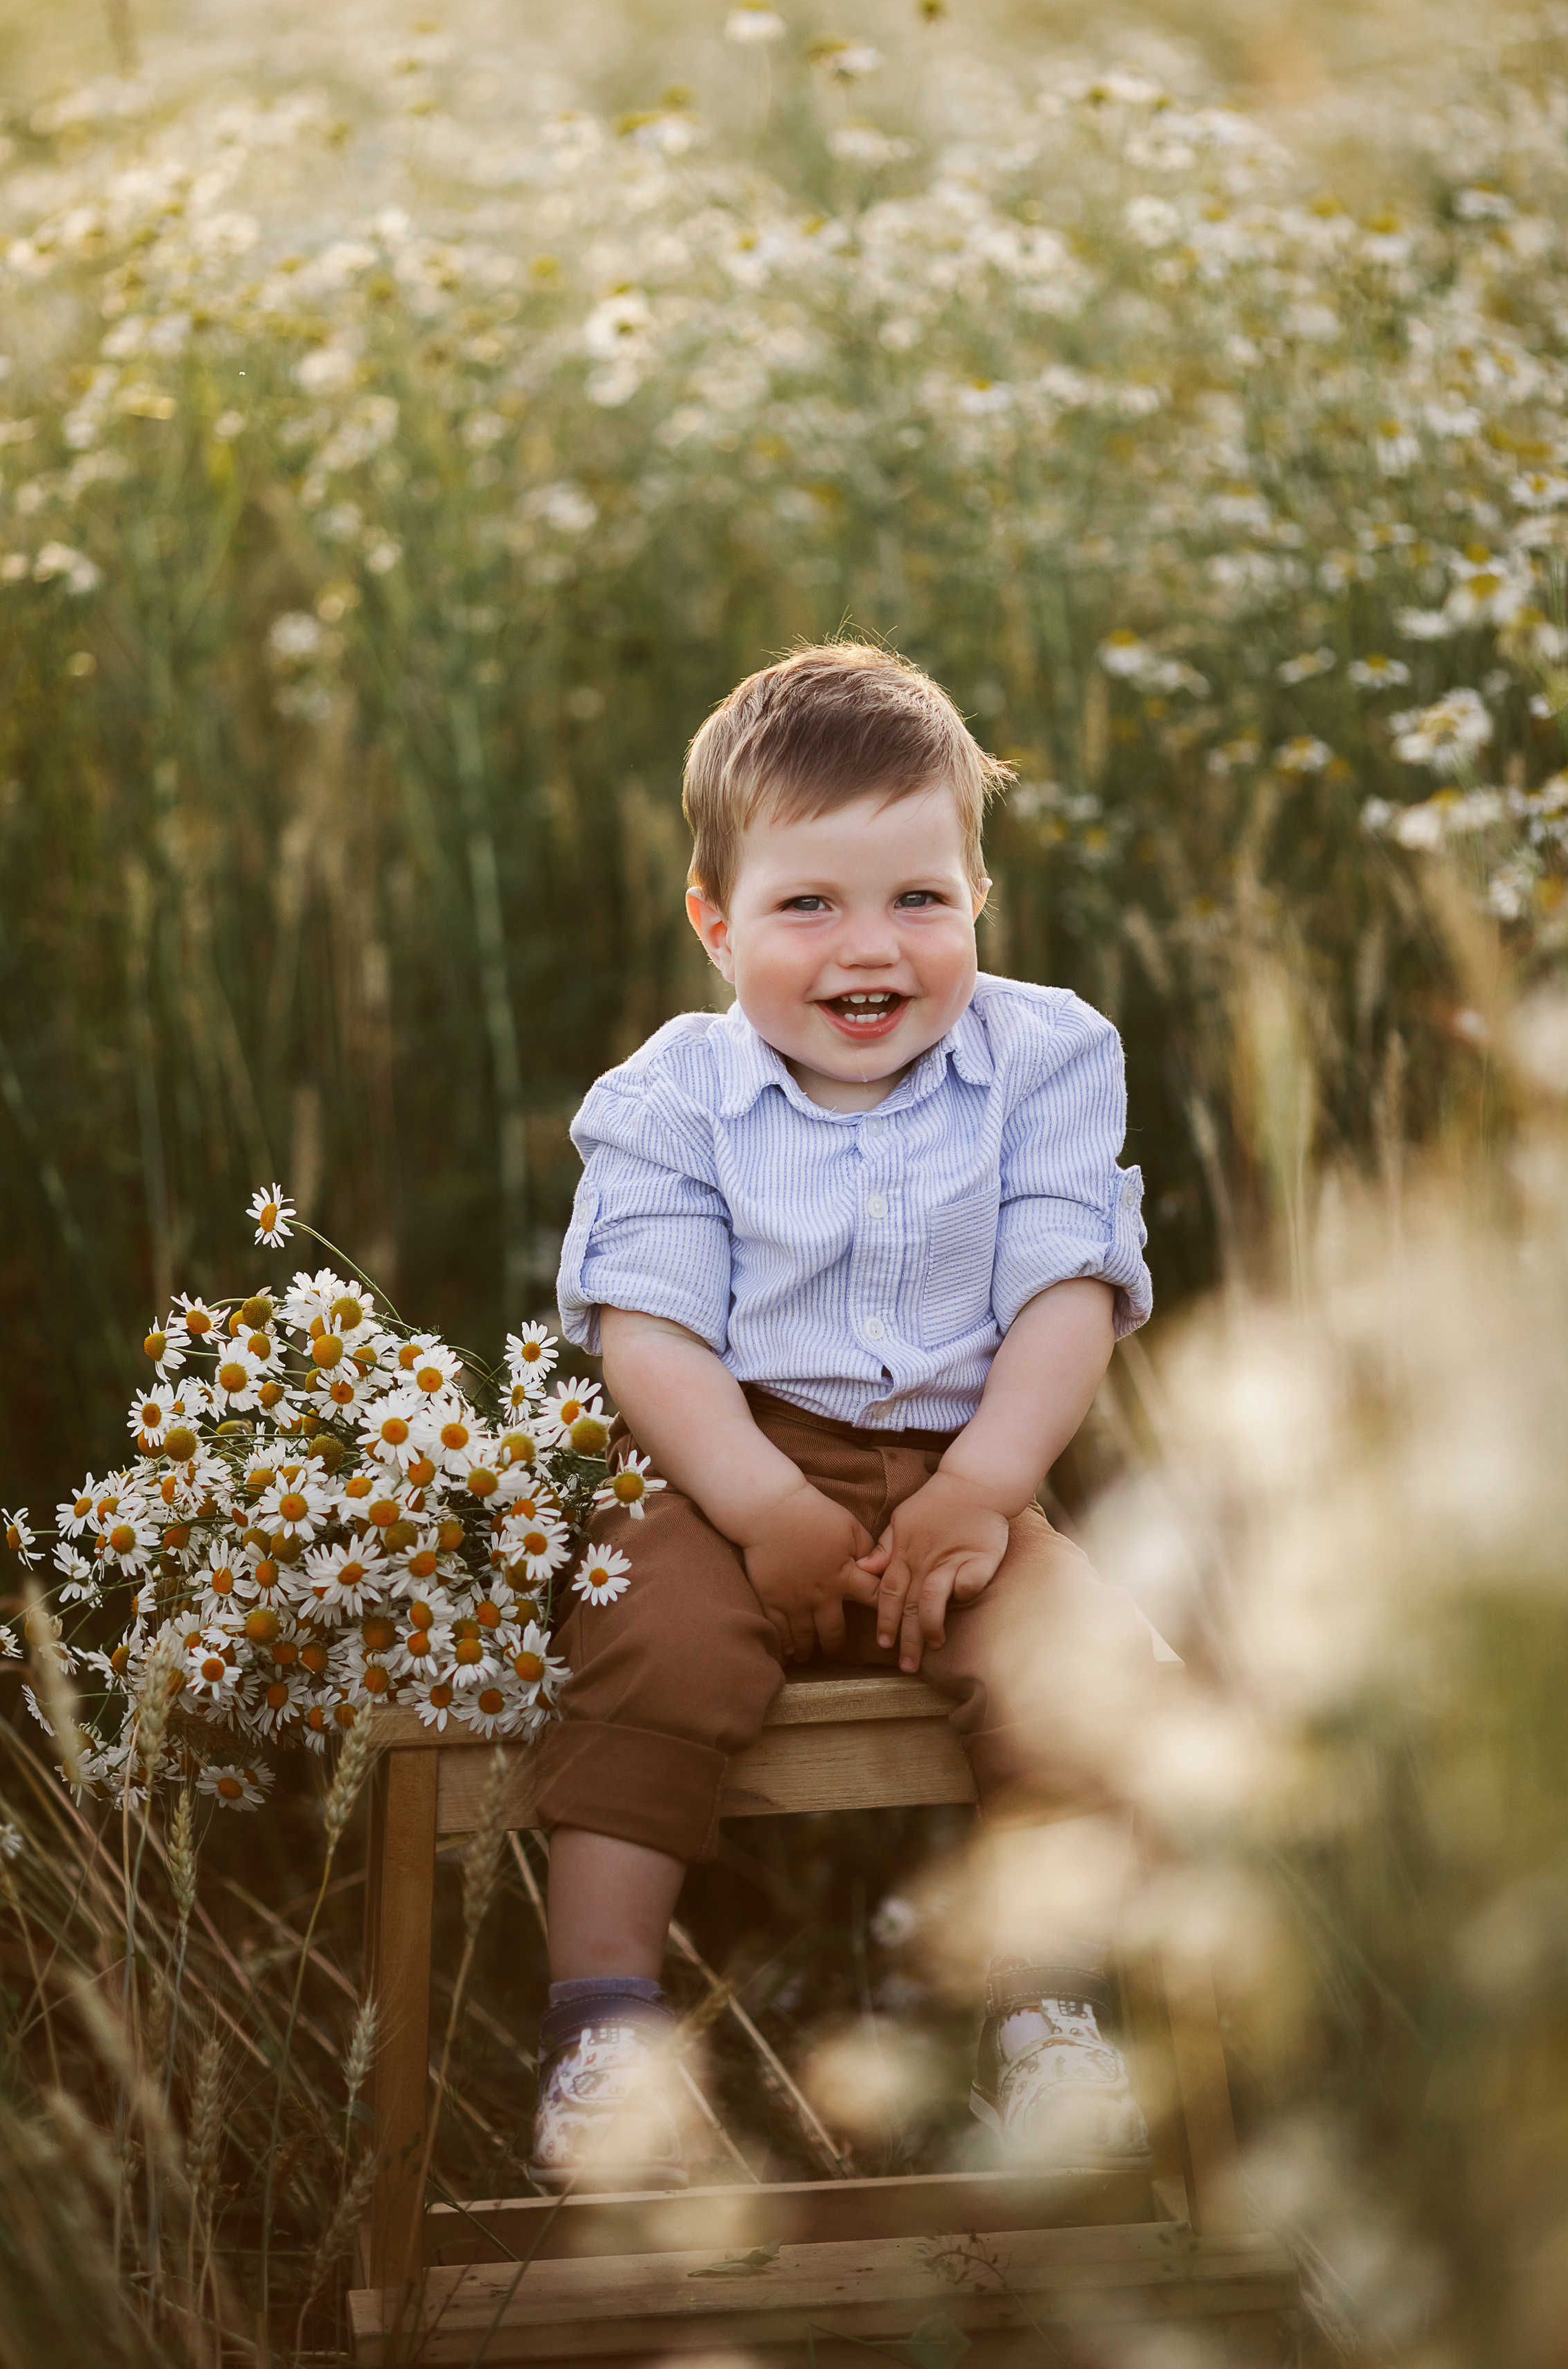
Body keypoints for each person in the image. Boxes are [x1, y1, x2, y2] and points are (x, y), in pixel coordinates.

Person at [531, 641, 1157, 2190]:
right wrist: (759, 1504)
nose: (867, 948)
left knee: (1068, 1666)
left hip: (964, 1467)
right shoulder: (669, 1097)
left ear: (979, 897)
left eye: (918, 898)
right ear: (715, 922)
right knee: (648, 1649)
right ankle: (606, 2026)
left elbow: (1066, 1291)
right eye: (807, 904)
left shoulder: (1045, 1058)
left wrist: (987, 1488)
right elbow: (650, 1332)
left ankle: (1046, 2013)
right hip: (723, 1466)